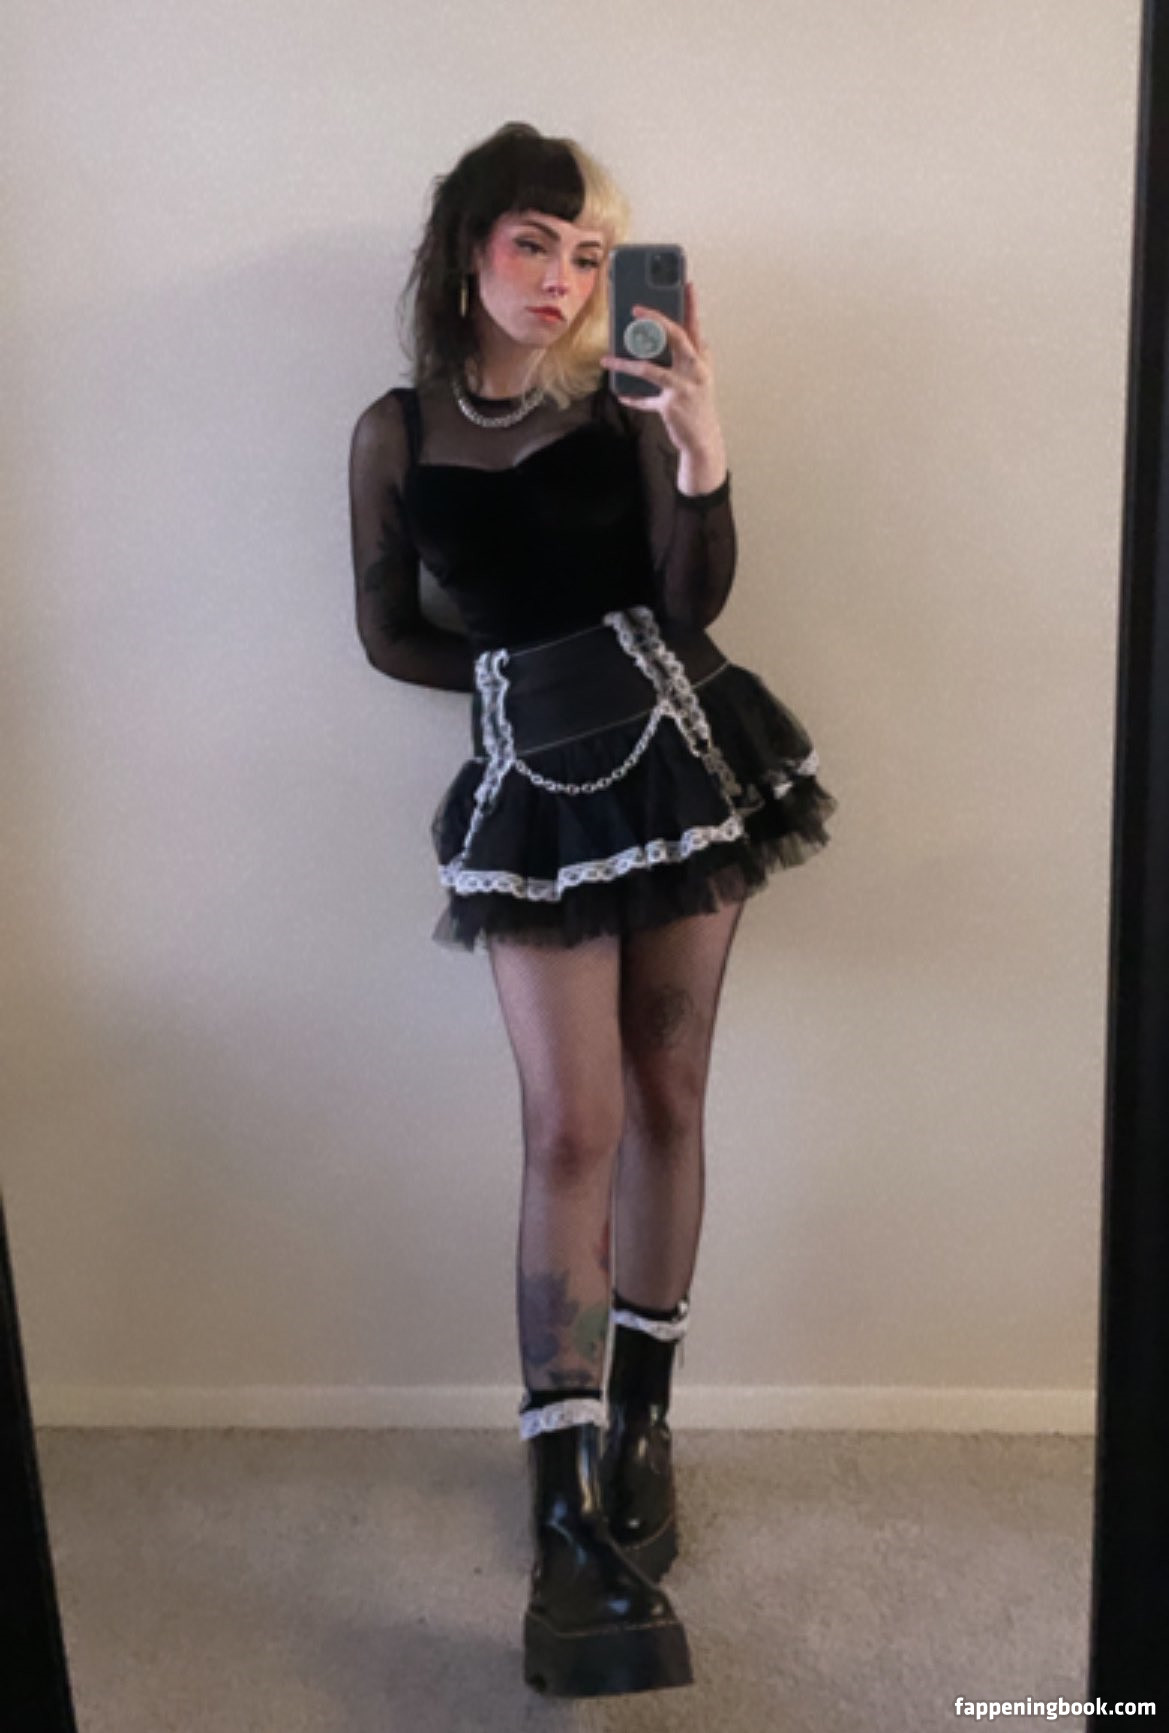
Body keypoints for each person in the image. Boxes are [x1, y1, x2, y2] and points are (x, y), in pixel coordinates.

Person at [348, 121, 838, 1698]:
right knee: (571, 1124)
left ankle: (640, 1429)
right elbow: (387, 631)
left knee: (667, 1095)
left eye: (587, 251)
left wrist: (699, 444)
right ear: (467, 248)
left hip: (684, 755)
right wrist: (517, 682)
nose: (560, 277)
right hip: (535, 795)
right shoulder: (396, 429)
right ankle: (563, 1512)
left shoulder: (622, 400)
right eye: (532, 243)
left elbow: (691, 599)